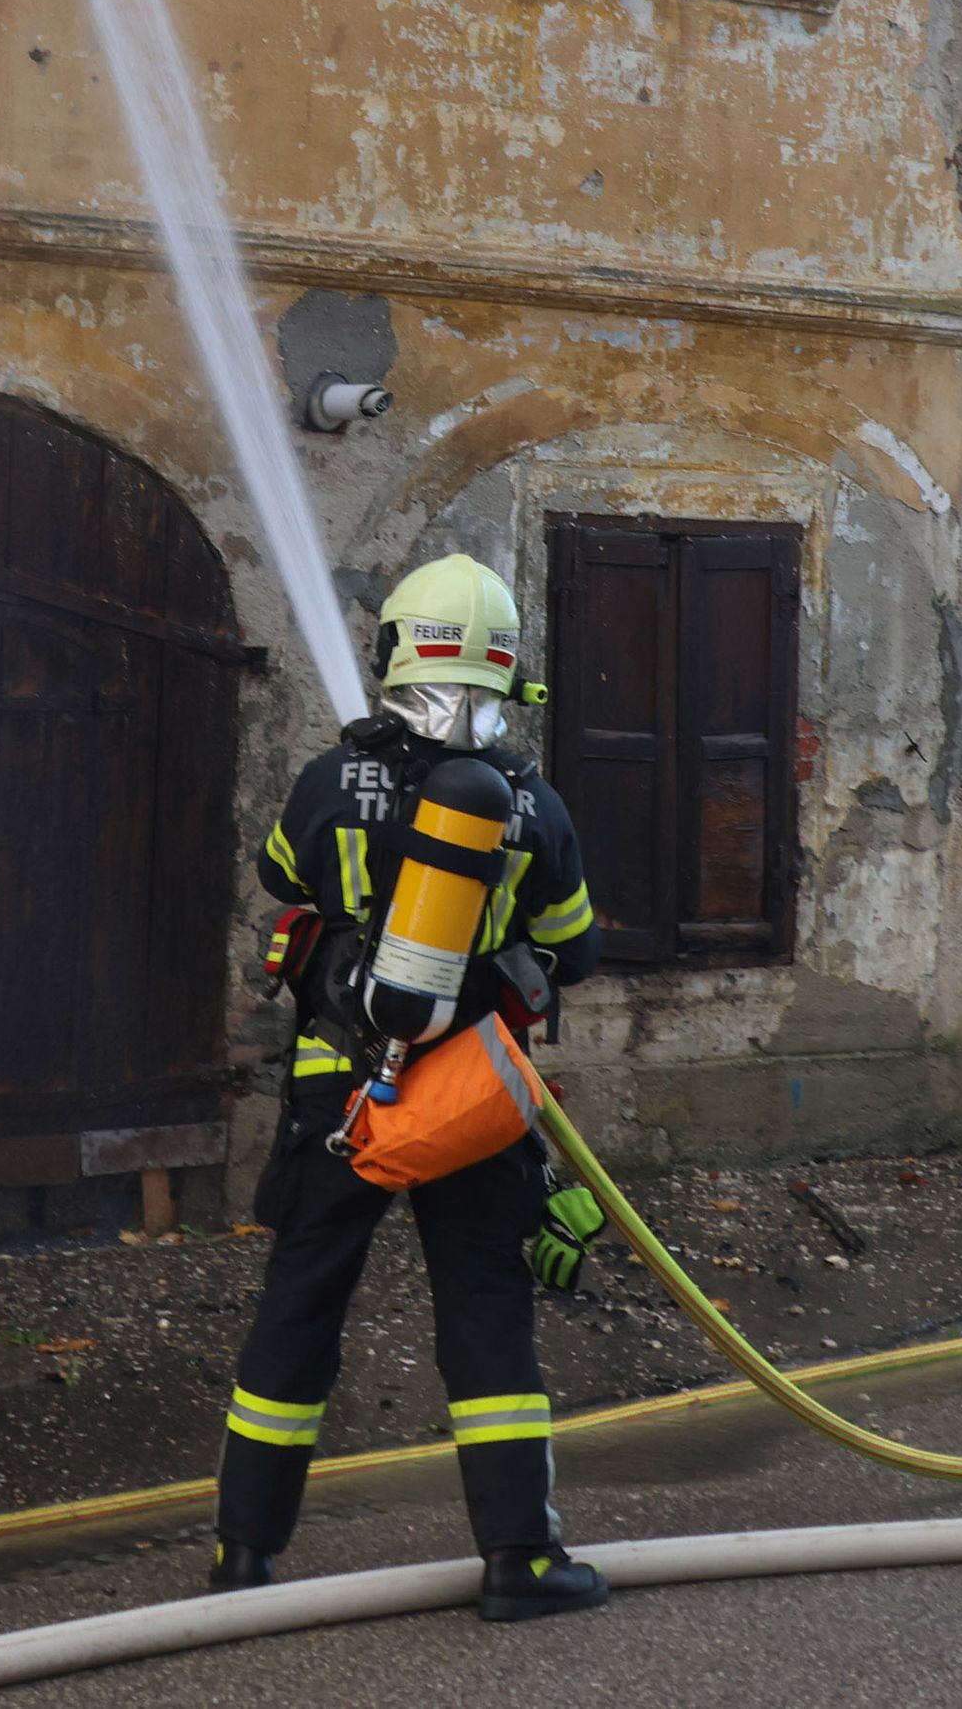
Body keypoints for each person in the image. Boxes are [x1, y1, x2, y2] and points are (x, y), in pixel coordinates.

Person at [211, 554, 611, 1622]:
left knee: (300, 1304)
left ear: (394, 651)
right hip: (469, 1097)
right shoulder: (530, 802)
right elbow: (571, 952)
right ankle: (518, 1562)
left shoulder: (331, 781)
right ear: (507, 667)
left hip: (337, 1093)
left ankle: (242, 1555)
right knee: (485, 1309)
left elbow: (279, 876)